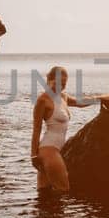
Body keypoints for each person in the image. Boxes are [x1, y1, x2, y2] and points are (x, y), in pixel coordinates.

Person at [31, 65, 91, 194]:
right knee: (63, 189)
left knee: (44, 193)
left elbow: (80, 102)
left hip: (57, 149)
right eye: (58, 83)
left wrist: (102, 98)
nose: (61, 86)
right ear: (49, 80)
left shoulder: (63, 97)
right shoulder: (43, 100)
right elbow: (36, 129)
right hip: (49, 150)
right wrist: (33, 155)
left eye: (64, 83)